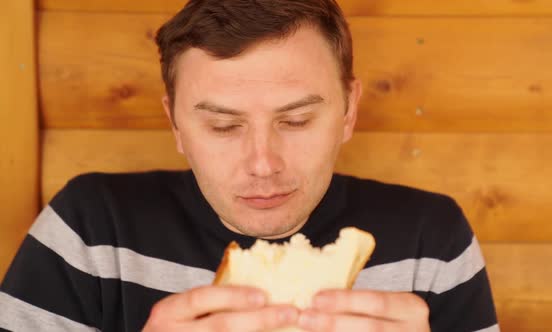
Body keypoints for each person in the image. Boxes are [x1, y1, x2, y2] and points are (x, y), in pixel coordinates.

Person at [0, 0, 499, 331]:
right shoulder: (90, 231)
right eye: (222, 127)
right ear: (174, 123)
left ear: (349, 110)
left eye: (298, 120)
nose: (263, 164)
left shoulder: (430, 242)